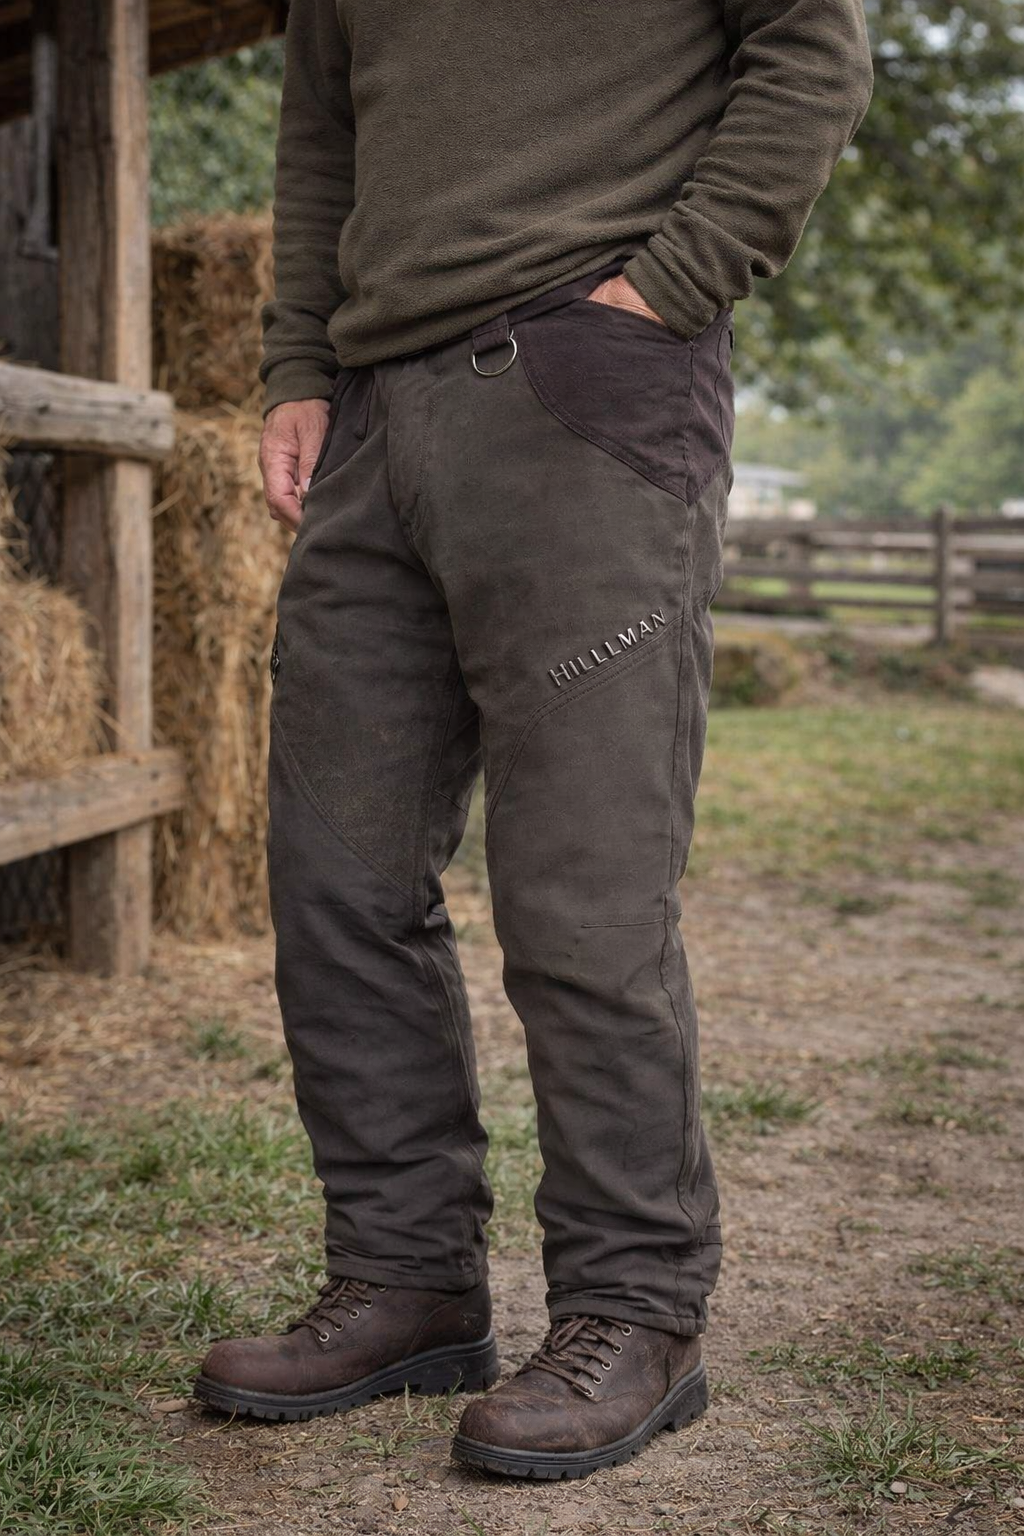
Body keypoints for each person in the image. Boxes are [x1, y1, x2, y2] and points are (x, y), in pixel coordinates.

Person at [193, 0, 873, 1479]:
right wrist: (298, 367)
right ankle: (407, 1279)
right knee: (338, 881)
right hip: (373, 413)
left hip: (585, 381)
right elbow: (321, 139)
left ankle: (637, 1308)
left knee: (582, 893)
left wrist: (667, 285)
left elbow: (813, 46)